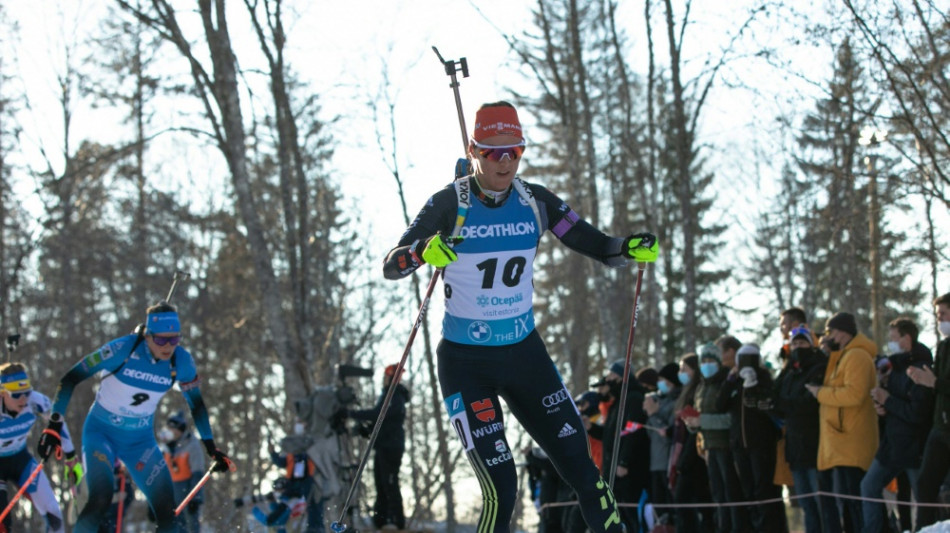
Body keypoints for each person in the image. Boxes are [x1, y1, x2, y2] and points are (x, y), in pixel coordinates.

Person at [382, 101, 658, 533]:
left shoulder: (535, 201)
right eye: (493, 152)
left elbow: (596, 244)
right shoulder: (449, 203)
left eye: (515, 150)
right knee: (503, 486)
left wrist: (627, 248)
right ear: (474, 151)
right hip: (466, 363)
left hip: (525, 357)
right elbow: (392, 264)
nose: (505, 160)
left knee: (585, 472)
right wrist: (421, 252)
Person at [37, 301, 232, 533]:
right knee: (100, 498)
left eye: (174, 339)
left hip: (140, 441)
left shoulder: (181, 361)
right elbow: (70, 379)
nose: (168, 346)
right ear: (148, 336)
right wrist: (53, 426)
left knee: (167, 510)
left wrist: (210, 446)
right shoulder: (122, 349)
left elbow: (196, 405)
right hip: (102, 434)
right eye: (161, 340)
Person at [805, 311, 877, 533]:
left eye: (831, 332)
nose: (828, 337)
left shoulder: (857, 356)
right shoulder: (842, 356)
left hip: (852, 443)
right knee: (846, 503)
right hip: (840, 444)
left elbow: (854, 394)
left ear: (843, 332)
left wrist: (820, 393)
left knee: (855, 502)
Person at [860, 317, 933, 533]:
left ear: (906, 338)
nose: (890, 343)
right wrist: (882, 409)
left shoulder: (921, 368)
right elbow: (894, 404)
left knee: (922, 501)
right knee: (868, 486)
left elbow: (918, 413)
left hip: (914, 448)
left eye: (893, 338)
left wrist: (888, 400)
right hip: (892, 446)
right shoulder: (895, 368)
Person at [0, 362, 80, 533]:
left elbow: (58, 422)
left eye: (26, 393)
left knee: (53, 513)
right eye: (16, 395)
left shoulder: (36, 401)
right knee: (3, 523)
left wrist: (71, 456)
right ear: (2, 392)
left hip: (20, 459)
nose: (23, 399)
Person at [720, 343, 786, 532]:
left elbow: (771, 405)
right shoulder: (735, 382)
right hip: (740, 445)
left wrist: (755, 384)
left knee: (764, 490)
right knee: (748, 491)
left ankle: (770, 528)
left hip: (762, 445)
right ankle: (755, 527)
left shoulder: (765, 380)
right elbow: (720, 404)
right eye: (743, 360)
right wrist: (730, 379)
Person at [772, 326, 828, 533]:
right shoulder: (790, 372)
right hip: (795, 448)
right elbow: (775, 398)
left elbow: (808, 404)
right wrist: (787, 365)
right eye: (794, 343)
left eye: (802, 342)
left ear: (811, 345)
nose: (797, 347)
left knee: (821, 502)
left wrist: (784, 403)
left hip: (815, 445)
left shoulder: (819, 367)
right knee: (806, 504)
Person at [691, 342, 747, 533]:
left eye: (710, 360)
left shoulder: (726, 382)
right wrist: (693, 424)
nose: (706, 364)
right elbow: (699, 415)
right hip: (709, 446)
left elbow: (730, 419)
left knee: (731, 492)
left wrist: (702, 421)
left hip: (726, 445)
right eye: (703, 361)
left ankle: (737, 528)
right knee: (717, 494)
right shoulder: (701, 386)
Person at [347, 363, 410, 530]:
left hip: (391, 446)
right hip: (383, 444)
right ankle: (380, 520)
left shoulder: (395, 396)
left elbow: (379, 414)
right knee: (381, 483)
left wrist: (351, 414)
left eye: (386, 376)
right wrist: (366, 430)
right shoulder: (388, 395)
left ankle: (396, 520)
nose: (384, 380)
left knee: (389, 483)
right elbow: (381, 422)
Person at [907, 292, 950, 528]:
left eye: (943, 313)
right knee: (925, 484)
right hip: (940, 427)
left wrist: (934, 382)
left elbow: (940, 383)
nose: (939, 319)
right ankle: (924, 529)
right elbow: (937, 384)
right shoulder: (943, 346)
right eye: (937, 314)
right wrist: (923, 381)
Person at [671, 354, 714, 533]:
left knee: (693, 501)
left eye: (684, 369)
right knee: (687, 501)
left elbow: (694, 430)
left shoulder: (698, 390)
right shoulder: (686, 391)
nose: (680, 373)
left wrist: (685, 460)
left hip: (696, 454)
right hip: (686, 452)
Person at [259, 422, 325, 533]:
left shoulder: (311, 449)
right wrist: (272, 453)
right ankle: (275, 521)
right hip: (292, 483)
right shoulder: (290, 455)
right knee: (285, 504)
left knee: (313, 504)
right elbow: (280, 462)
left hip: (307, 481)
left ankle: (315, 528)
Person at [642, 363, 680, 523]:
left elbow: (668, 433)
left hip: (667, 461)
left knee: (671, 505)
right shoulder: (660, 401)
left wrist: (653, 414)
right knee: (659, 506)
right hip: (655, 461)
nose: (660, 383)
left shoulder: (675, 403)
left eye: (663, 379)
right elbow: (651, 433)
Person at [159, 411, 207, 533]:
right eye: (168, 428)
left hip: (188, 490)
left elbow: (198, 473)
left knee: (191, 525)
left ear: (180, 430)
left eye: (173, 429)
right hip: (171, 492)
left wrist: (195, 498)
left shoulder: (192, 445)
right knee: (175, 526)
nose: (170, 431)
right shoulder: (165, 448)